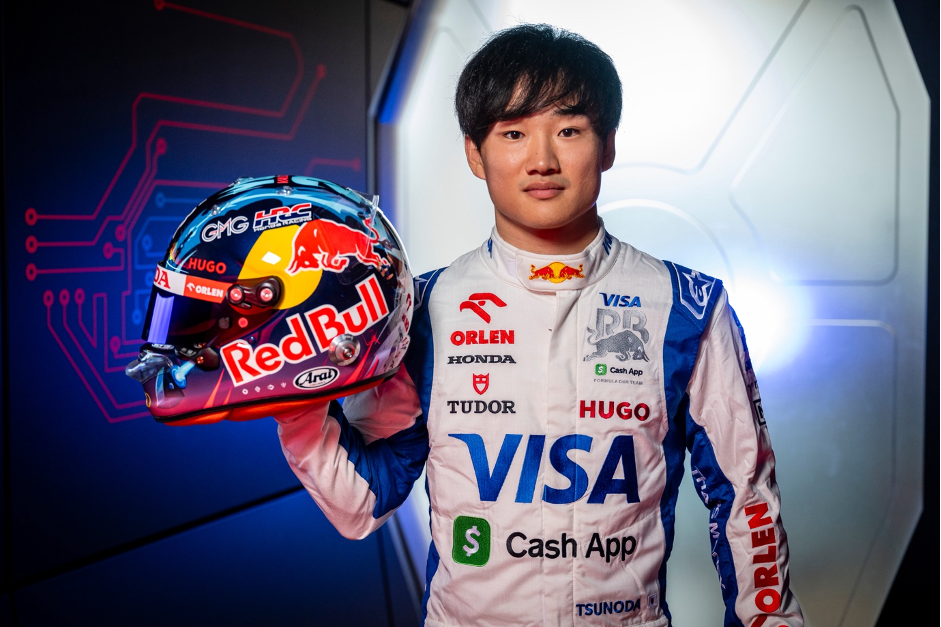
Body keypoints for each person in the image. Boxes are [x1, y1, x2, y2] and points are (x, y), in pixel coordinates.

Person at [275, 24, 804, 627]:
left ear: (608, 145)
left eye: (569, 130)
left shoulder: (689, 307)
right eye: (514, 132)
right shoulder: (418, 310)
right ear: (474, 154)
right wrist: (293, 397)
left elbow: (747, 497)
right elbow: (360, 502)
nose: (542, 160)